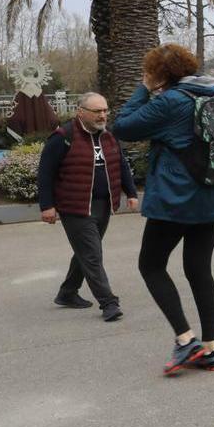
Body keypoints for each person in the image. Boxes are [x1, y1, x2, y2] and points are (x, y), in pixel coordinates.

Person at [113, 44, 214, 375]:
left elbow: (122, 127)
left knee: (151, 265)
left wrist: (144, 87)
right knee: (199, 268)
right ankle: (211, 349)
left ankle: (186, 340)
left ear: (159, 73)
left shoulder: (170, 102)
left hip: (177, 200)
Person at [37, 92, 138, 322]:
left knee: (86, 252)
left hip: (103, 204)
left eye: (105, 110)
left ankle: (67, 292)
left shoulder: (109, 136)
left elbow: (121, 164)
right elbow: (45, 172)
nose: (102, 115)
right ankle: (109, 303)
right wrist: (47, 205)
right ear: (80, 112)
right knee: (92, 254)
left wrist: (130, 192)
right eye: (97, 111)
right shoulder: (63, 136)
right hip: (75, 206)